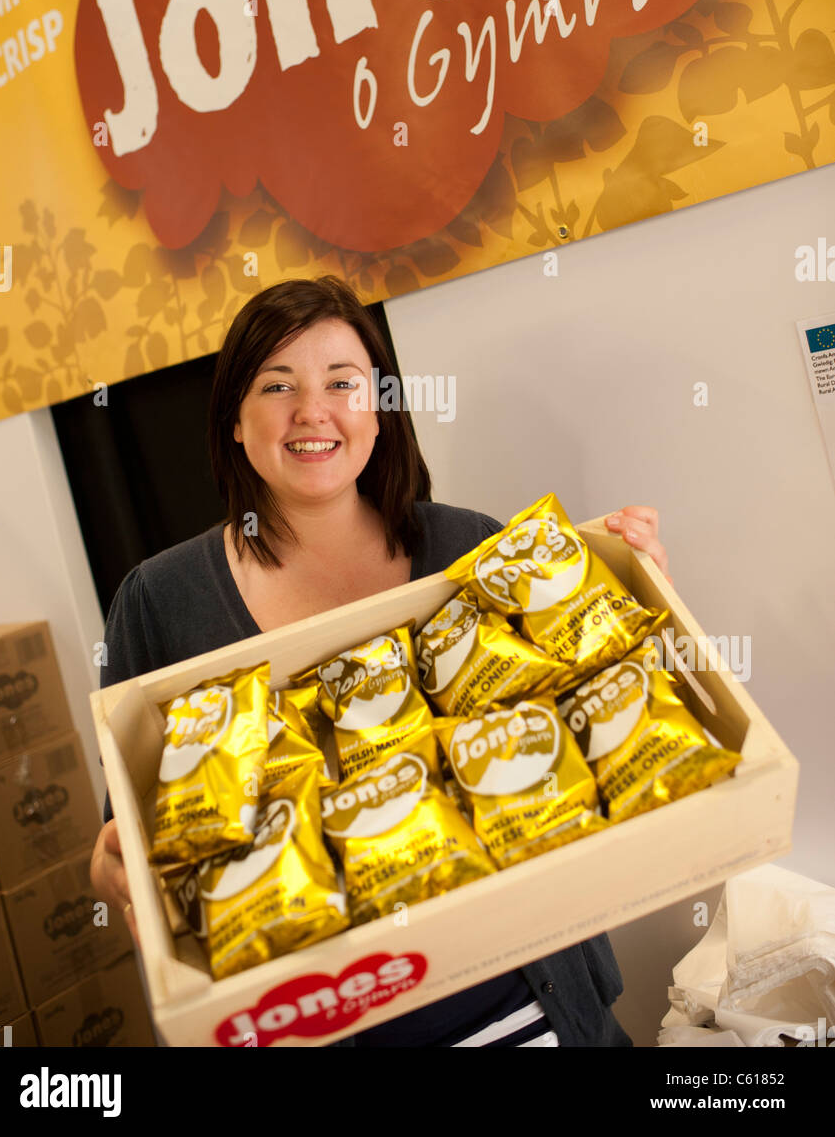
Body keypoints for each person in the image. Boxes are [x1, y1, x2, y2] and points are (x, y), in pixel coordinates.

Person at [90, 274, 672, 1047]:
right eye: (276, 385)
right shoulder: (160, 603)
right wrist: (110, 872)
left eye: (342, 382)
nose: (312, 411)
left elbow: (591, 743)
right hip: (318, 1025)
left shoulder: (472, 550)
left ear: (379, 410)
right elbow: (123, 839)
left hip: (537, 1012)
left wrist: (644, 610)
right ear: (235, 419)